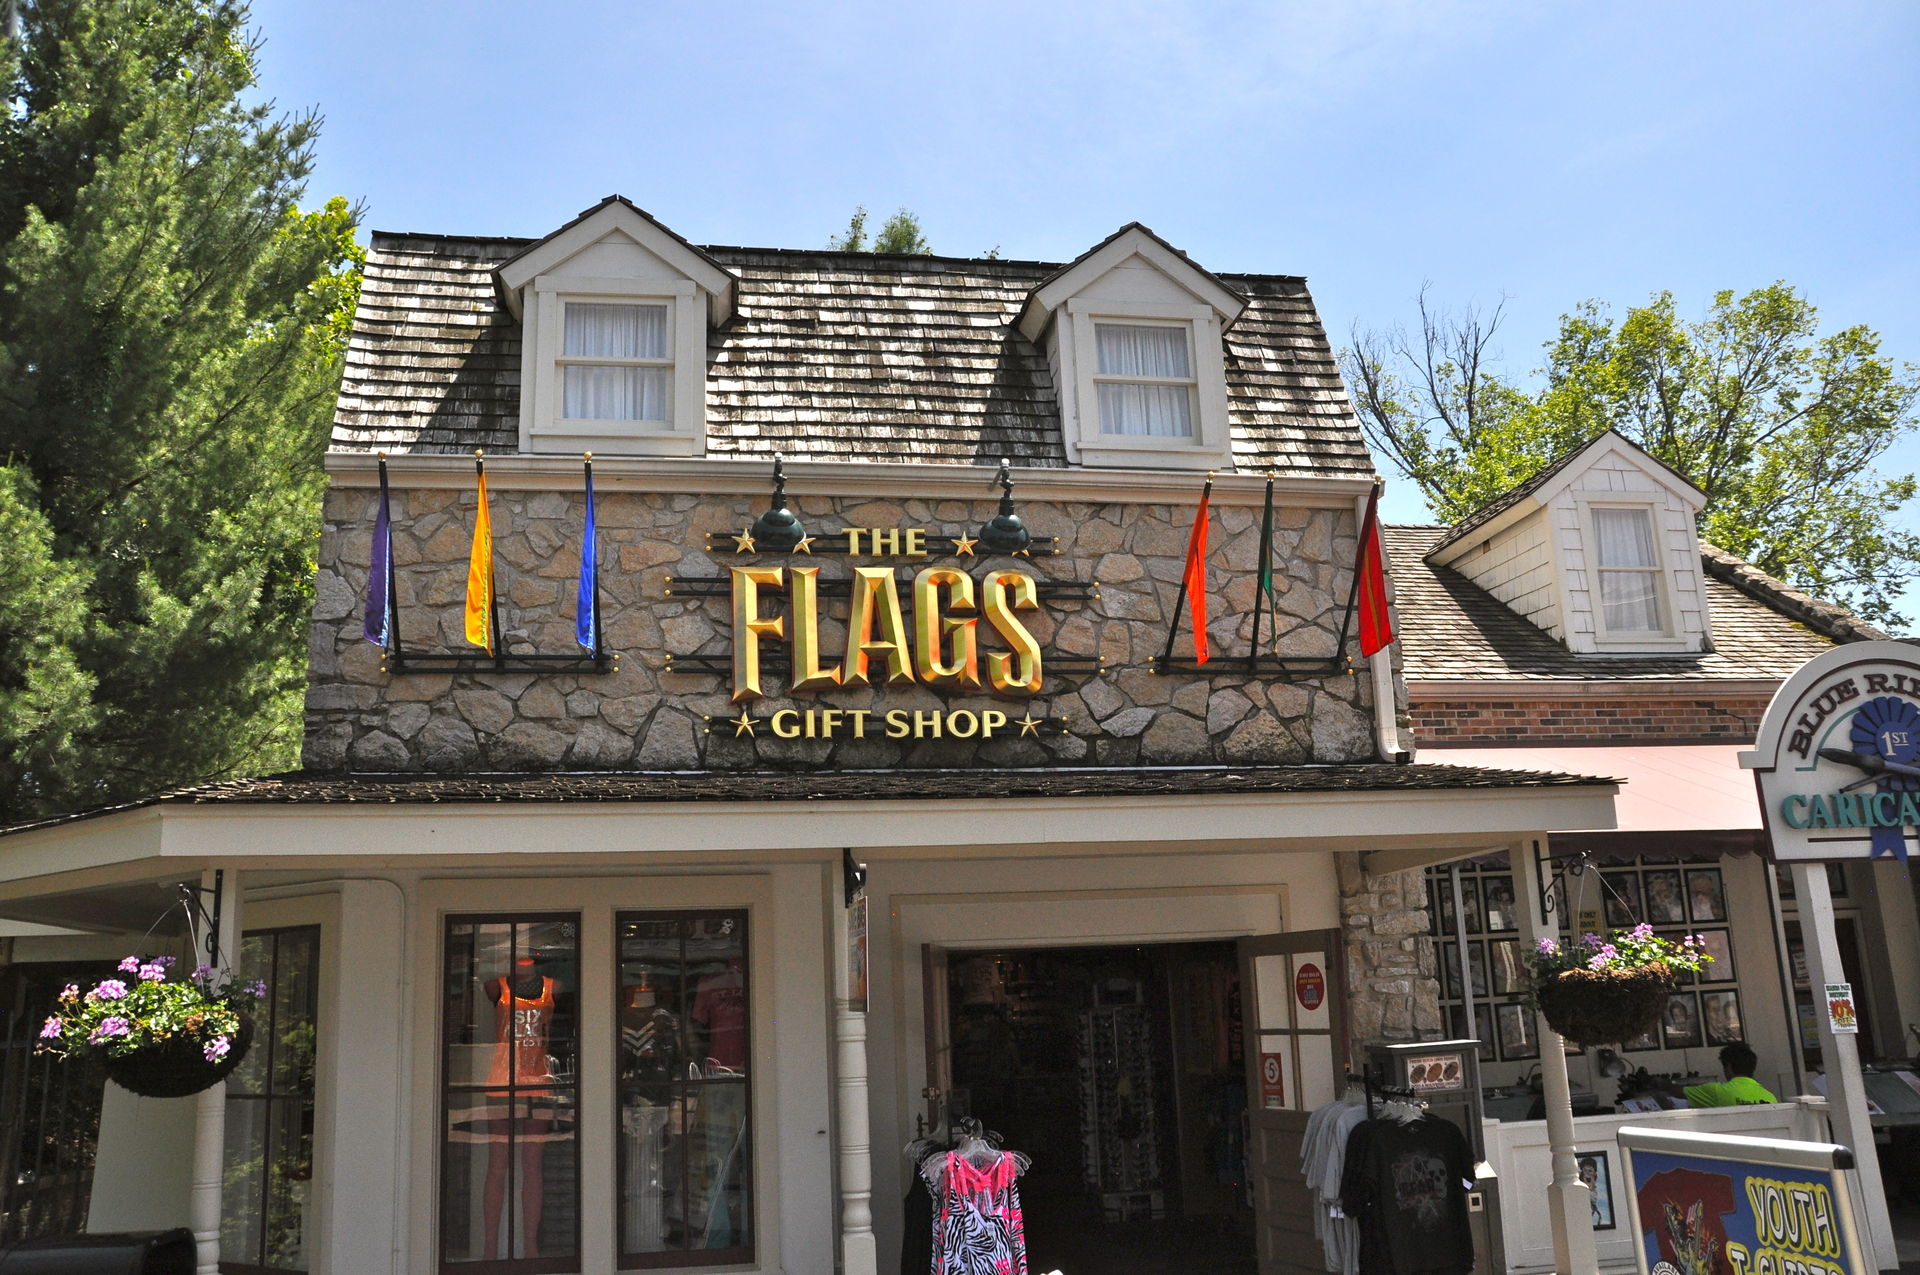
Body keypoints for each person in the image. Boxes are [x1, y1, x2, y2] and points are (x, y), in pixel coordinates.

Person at [1677, 1044, 1777, 1107]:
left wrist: (1667, 1084)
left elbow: (1676, 1092)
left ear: (1728, 1067)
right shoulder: (1770, 1098)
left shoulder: (1717, 1091)